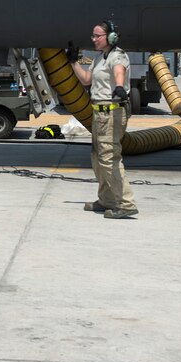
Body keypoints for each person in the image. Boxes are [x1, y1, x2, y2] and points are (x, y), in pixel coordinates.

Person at [67, 20, 139, 219]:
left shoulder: (118, 56)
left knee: (109, 158)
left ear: (110, 37)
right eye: (93, 35)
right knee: (97, 158)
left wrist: (118, 86)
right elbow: (87, 80)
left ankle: (126, 203)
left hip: (112, 113)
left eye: (97, 35)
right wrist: (74, 62)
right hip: (99, 114)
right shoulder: (100, 57)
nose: (93, 39)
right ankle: (107, 199)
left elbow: (119, 72)